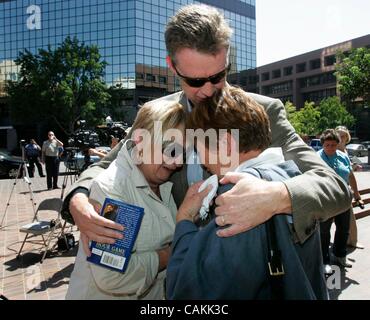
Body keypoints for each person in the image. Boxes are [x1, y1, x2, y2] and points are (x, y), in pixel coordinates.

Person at [61, 4, 351, 255]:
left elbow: (333, 186)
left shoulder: (264, 111)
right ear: (172, 67)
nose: (209, 90)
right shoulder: (156, 115)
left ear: (227, 60)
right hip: (175, 274)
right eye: (196, 81)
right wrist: (78, 199)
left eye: (219, 76)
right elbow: (106, 165)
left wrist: (277, 196)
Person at [166, 86, 328, 300]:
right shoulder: (291, 178)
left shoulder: (238, 196)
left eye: (198, 148)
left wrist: (184, 221)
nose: (202, 162)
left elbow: (186, 294)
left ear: (226, 144)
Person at [66, 100, 198, 299]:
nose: (178, 162)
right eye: (171, 150)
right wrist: (169, 255)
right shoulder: (115, 189)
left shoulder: (159, 179)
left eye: (183, 153)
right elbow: (112, 276)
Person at [317, 129, 357, 274]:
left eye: (333, 145)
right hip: (326, 199)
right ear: (323, 144)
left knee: (343, 229)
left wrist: (357, 194)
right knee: (324, 231)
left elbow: (350, 175)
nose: (330, 148)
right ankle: (324, 261)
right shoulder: (316, 158)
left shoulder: (343, 156)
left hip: (344, 199)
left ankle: (339, 255)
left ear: (337, 144)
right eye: (327, 145)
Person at [335, 125, 365, 249]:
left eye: (343, 136)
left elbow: (348, 173)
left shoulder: (345, 150)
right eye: (339, 136)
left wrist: (353, 167)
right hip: (336, 190)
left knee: (348, 219)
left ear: (347, 137)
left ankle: (351, 241)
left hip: (345, 189)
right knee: (345, 220)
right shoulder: (333, 150)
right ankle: (350, 241)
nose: (341, 138)